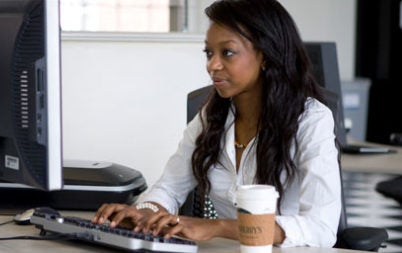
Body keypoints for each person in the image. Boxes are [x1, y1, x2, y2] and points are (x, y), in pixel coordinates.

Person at [93, 0, 341, 247]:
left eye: (227, 53)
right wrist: (145, 213)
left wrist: (217, 227)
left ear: (265, 55)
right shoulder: (210, 117)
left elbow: (321, 228)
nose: (212, 65)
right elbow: (169, 188)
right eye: (209, 53)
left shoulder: (310, 120)